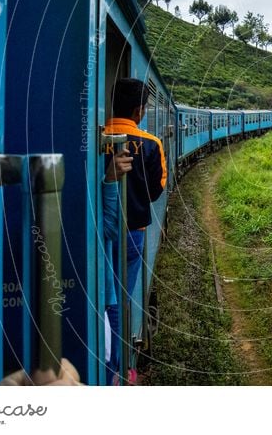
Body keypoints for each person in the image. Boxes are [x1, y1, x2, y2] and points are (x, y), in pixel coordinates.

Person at [102, 78, 167, 384]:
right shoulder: (152, 145)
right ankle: (115, 370)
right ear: (140, 110)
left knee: (103, 297)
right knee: (120, 300)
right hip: (132, 234)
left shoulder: (95, 138)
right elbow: (156, 191)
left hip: (98, 233)